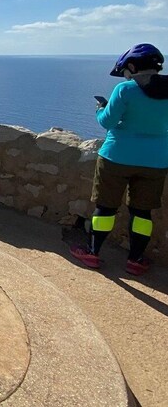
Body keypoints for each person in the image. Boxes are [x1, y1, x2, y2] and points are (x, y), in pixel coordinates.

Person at [71, 43, 168, 275]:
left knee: (105, 208)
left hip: (117, 157)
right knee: (142, 214)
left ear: (132, 66)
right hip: (155, 161)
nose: (125, 75)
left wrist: (100, 108)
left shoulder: (125, 90)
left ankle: (93, 253)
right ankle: (135, 260)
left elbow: (107, 122)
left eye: (126, 70)